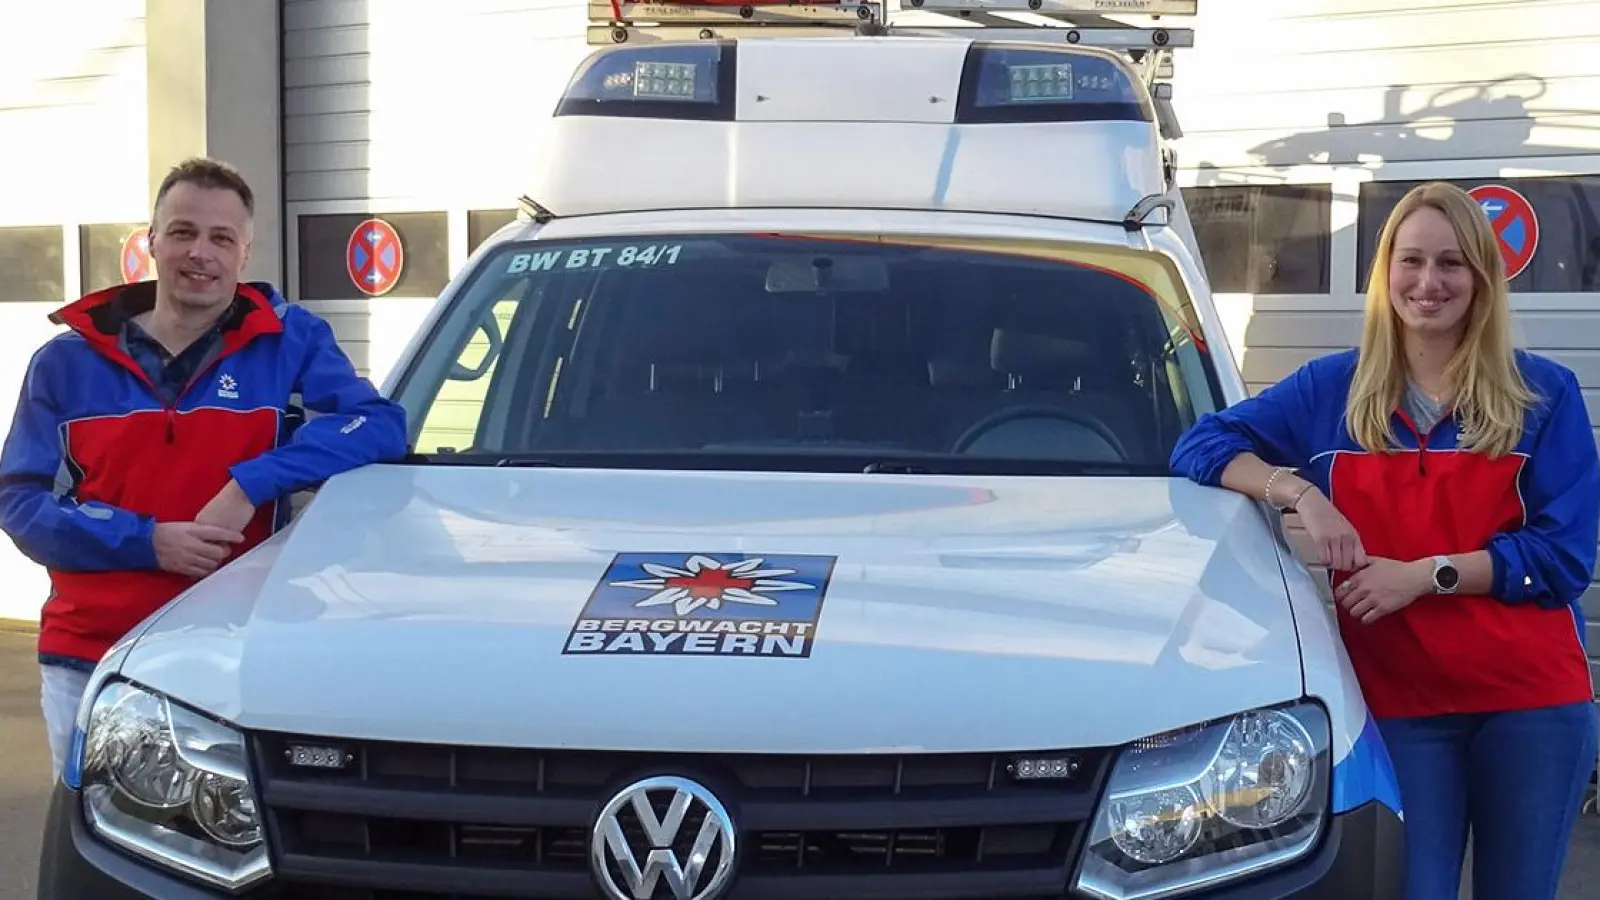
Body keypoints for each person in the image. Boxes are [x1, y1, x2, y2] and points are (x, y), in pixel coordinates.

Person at [1170, 181, 1598, 899]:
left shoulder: (1543, 395)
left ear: (1482, 279)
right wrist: (1299, 491)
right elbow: (1202, 444)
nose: (1428, 283)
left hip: (1531, 708)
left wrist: (1424, 575)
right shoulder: (1329, 390)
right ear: (1385, 272)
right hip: (1398, 707)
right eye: (1412, 261)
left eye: (1452, 264)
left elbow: (1564, 560)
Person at [0, 157, 408, 778]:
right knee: (98, 848)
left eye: (222, 238)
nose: (201, 253)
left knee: (225, 856)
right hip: (90, 651)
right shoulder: (65, 362)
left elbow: (378, 425)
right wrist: (146, 541)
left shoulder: (289, 341)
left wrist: (253, 481)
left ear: (245, 253)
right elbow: (21, 502)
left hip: (234, 649)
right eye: (184, 232)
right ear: (151, 242)